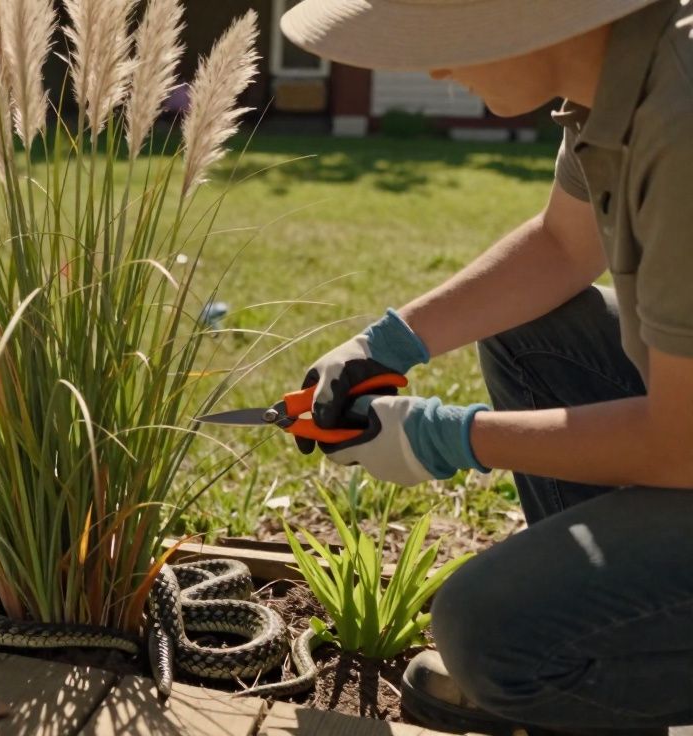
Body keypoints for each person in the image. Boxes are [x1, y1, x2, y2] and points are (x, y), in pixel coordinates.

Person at [279, 0, 693, 733]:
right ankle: (604, 630)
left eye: (444, 34)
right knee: (532, 332)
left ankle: (585, 656)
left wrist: (449, 438)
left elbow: (681, 444)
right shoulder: (624, 72)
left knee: (483, 630)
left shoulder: (681, 114)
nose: (435, 65)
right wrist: (387, 344)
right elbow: (562, 247)